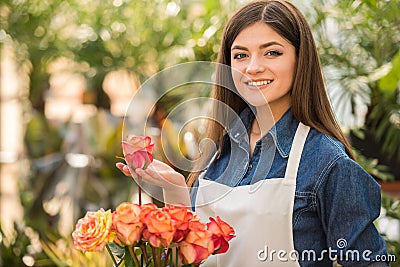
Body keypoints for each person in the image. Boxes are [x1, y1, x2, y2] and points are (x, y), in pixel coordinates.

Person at [117, 0, 390, 266]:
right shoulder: (215, 150)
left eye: (272, 52)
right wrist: (175, 190)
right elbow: (190, 257)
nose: (253, 67)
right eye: (240, 55)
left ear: (300, 59)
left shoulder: (326, 161)